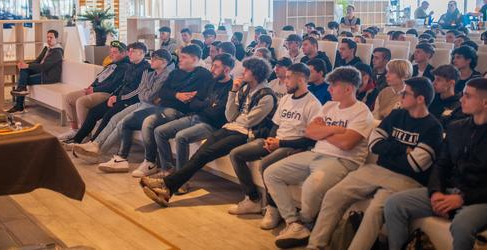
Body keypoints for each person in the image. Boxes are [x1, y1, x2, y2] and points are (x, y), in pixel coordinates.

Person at [307, 77, 443, 250]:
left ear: (420, 99)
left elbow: (416, 164)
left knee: (374, 211)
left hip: (407, 179)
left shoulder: (433, 127)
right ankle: (315, 245)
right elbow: (374, 144)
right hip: (377, 169)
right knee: (334, 195)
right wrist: (404, 149)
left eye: (405, 93)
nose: (400, 96)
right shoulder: (396, 115)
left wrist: (388, 149)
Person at [140, 57, 276, 206]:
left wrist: (234, 118)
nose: (243, 72)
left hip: (246, 134)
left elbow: (249, 121)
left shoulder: (267, 96)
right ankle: (168, 189)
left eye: (247, 70)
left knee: (205, 154)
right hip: (230, 127)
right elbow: (229, 115)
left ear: (256, 73)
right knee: (200, 155)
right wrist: (233, 91)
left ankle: (166, 185)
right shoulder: (243, 89)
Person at [265, 67, 375, 248]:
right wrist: (336, 129)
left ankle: (306, 222)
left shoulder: (362, 112)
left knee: (311, 186)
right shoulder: (329, 106)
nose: (329, 89)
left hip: (342, 160)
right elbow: (310, 132)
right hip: (315, 154)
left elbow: (347, 143)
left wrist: (323, 132)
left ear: (348, 89)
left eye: (333, 85)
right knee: (271, 173)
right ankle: (294, 223)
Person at [384, 78, 487, 250]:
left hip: (479, 199)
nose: (461, 100)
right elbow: (441, 165)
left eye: (468, 96)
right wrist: (435, 192)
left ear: (485, 102)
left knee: (462, 225)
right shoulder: (456, 127)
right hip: (450, 189)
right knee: (394, 204)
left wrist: (462, 198)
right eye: (463, 95)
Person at [228, 63, 321, 229]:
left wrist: (280, 143)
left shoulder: (313, 104)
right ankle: (253, 199)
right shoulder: (285, 99)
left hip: (294, 146)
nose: (285, 81)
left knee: (265, 164)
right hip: (277, 141)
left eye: (289, 78)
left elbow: (310, 140)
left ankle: (273, 208)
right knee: (236, 154)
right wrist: (270, 140)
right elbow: (275, 125)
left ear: (301, 79)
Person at [98, 44, 211, 176]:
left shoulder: (204, 75)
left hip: (178, 111)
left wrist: (175, 96)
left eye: (184, 57)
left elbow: (194, 98)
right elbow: (163, 92)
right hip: (162, 107)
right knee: (127, 121)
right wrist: (177, 95)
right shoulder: (175, 72)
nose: (179, 60)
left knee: (149, 122)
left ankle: (150, 162)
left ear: (194, 59)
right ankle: (121, 158)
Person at [73, 49, 175, 160]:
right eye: (152, 57)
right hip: (141, 102)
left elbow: (147, 95)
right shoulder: (151, 72)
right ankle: (95, 144)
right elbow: (142, 92)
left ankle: (99, 151)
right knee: (114, 118)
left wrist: (144, 94)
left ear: (164, 62)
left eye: (155, 58)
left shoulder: (164, 75)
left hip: (150, 107)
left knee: (122, 122)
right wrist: (145, 94)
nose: (152, 60)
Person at [154, 54, 234, 183]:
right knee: (159, 131)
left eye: (216, 67)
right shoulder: (210, 82)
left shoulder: (231, 88)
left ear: (227, 69)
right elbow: (193, 103)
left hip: (211, 125)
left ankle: (180, 180)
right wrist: (208, 104)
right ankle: (167, 170)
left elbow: (217, 114)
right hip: (195, 116)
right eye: (212, 65)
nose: (212, 69)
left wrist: (202, 104)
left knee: (181, 137)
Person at [66, 42, 150, 145]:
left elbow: (139, 90)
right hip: (119, 98)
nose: (130, 54)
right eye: (129, 51)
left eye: (133, 51)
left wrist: (118, 98)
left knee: (107, 116)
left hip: (130, 101)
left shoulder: (146, 69)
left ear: (141, 53)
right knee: (93, 112)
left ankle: (93, 143)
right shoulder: (131, 66)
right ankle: (77, 139)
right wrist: (113, 96)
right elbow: (122, 85)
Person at [59, 41, 130, 141]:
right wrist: (90, 87)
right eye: (111, 52)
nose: (111, 55)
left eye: (114, 52)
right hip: (96, 90)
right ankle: (74, 130)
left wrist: (94, 89)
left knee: (81, 102)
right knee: (68, 98)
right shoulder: (112, 65)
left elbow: (112, 86)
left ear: (124, 53)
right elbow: (99, 78)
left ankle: (85, 133)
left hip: (107, 94)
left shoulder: (125, 67)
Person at [8, 30, 64, 113]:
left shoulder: (57, 52)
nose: (48, 39)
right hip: (42, 72)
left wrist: (27, 66)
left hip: (48, 77)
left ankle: (19, 105)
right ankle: (21, 91)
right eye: (47, 37)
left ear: (56, 39)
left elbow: (43, 67)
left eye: (51, 37)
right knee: (23, 70)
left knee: (23, 79)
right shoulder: (47, 48)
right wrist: (25, 65)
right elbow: (37, 61)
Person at [429, 64, 464, 130]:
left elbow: (443, 124)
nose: (433, 83)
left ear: (451, 83)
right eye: (434, 79)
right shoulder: (431, 97)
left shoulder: (458, 105)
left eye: (438, 80)